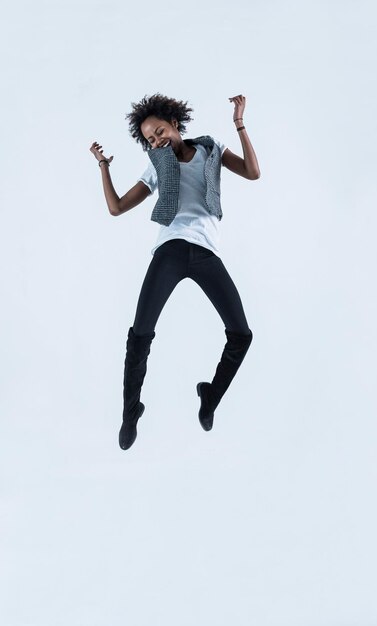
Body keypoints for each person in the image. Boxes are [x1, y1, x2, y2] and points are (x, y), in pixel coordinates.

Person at [89, 93, 260, 450]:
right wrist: (104, 167)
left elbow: (252, 172)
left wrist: (239, 124)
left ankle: (210, 395)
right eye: (150, 139)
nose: (157, 140)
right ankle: (130, 411)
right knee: (140, 335)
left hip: (206, 253)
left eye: (160, 131)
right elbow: (117, 207)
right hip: (169, 250)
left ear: (175, 123)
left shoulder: (212, 149)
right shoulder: (157, 165)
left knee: (241, 334)